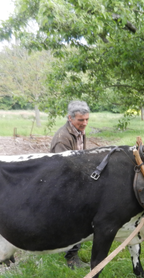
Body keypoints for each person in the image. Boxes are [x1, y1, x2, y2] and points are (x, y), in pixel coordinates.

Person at [50, 100, 90, 268]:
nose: (85, 123)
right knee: (77, 217)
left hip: (76, 178)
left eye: (87, 119)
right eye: (81, 120)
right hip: (65, 182)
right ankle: (71, 258)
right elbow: (63, 167)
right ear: (70, 118)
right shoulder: (62, 138)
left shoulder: (79, 131)